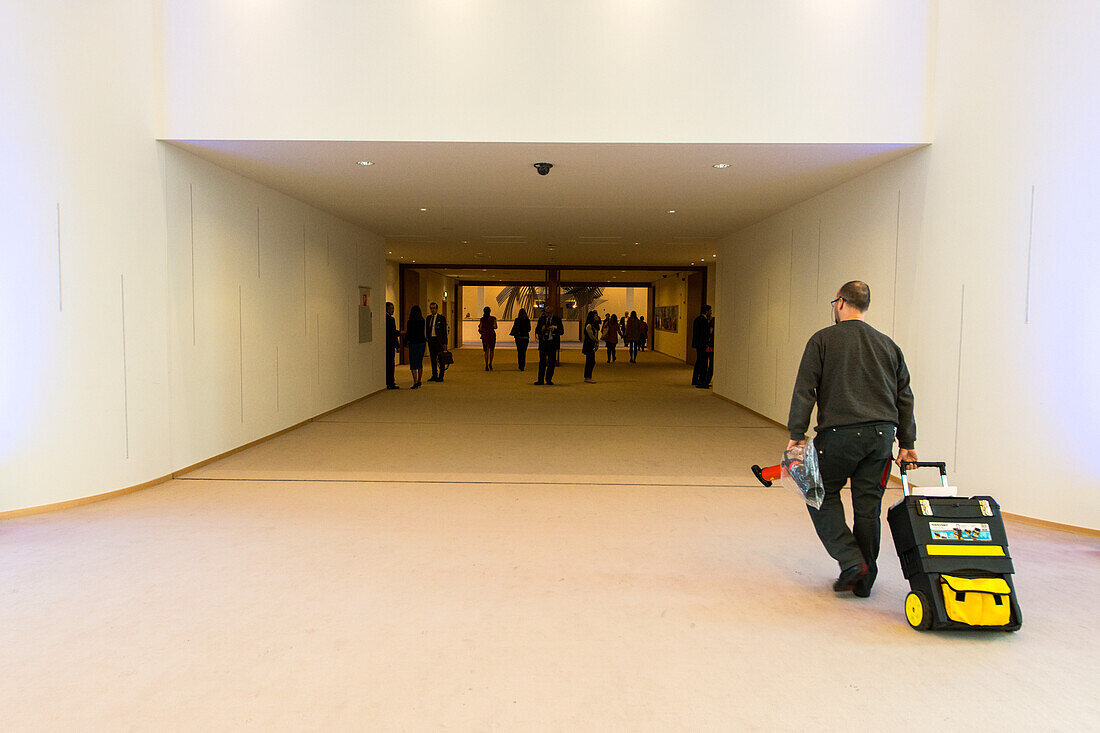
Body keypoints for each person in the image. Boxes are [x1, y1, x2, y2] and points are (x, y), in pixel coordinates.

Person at [786, 280, 918, 598]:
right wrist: (908, 444)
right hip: (881, 438)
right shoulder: (888, 345)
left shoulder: (822, 340)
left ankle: (851, 561)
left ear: (842, 303)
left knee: (818, 493)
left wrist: (795, 435)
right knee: (867, 508)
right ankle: (864, 579)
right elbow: (905, 397)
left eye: (835, 302)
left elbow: (806, 389)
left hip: (838, 435)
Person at [534, 305, 564, 385]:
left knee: (551, 363)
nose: (548, 314)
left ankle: (548, 379)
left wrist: (554, 328)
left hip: (552, 344)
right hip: (543, 343)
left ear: (552, 312)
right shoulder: (541, 319)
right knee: (542, 363)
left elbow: (561, 331)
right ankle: (540, 380)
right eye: (546, 313)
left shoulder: (557, 320)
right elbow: (537, 330)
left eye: (549, 313)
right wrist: (542, 329)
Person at [404, 305, 427, 389]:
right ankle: (419, 380)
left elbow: (408, 333)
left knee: (413, 363)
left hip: (413, 343)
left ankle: (415, 381)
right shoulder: (422, 321)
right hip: (421, 342)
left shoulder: (410, 321)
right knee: (419, 362)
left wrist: (405, 342)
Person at [425, 301, 449, 382]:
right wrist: (427, 338)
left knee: (440, 359)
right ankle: (434, 375)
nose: (432, 310)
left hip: (439, 341)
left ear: (437, 309)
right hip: (431, 340)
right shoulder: (428, 318)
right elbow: (427, 330)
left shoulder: (441, 318)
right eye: (431, 308)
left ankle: (441, 375)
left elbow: (444, 332)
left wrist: (445, 343)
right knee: (433, 358)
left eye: (434, 308)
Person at [691, 305, 712, 387]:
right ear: (706, 311)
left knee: (699, 361)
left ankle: (695, 380)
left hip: (698, 345)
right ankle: (702, 381)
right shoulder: (703, 320)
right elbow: (704, 334)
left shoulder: (697, 319)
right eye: (710, 310)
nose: (711, 312)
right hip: (702, 345)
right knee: (703, 362)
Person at [385, 301, 400, 389]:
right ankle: (390, 382)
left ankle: (388, 381)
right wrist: (397, 345)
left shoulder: (383, 318)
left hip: (385, 344)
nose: (393, 310)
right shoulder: (391, 319)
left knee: (387, 364)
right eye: (392, 308)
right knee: (390, 364)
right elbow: (393, 333)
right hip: (390, 345)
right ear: (387, 309)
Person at [582, 310, 600, 383]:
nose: (597, 317)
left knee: (591, 361)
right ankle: (587, 377)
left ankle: (588, 376)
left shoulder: (594, 324)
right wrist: (596, 340)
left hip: (592, 344)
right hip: (589, 345)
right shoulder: (589, 325)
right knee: (590, 361)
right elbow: (591, 336)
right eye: (595, 315)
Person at [478, 306, 498, 371]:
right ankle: (490, 363)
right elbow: (495, 327)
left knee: (486, 350)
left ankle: (486, 365)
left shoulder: (482, 319)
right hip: (492, 334)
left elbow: (480, 328)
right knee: (492, 350)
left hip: (485, 335)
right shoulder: (493, 318)